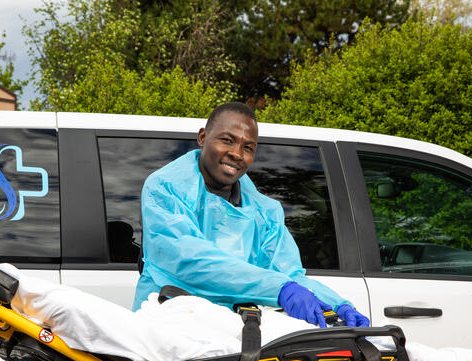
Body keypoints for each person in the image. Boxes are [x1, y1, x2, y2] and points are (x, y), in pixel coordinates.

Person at [133, 102, 369, 328]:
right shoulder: (164, 188)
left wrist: (338, 305)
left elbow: (288, 274)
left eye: (248, 148)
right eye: (227, 140)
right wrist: (280, 289)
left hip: (229, 333)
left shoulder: (265, 212)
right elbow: (189, 261)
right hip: (167, 322)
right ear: (203, 137)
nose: (237, 154)